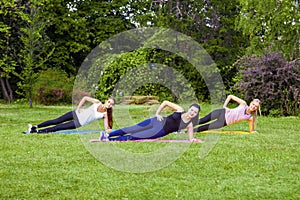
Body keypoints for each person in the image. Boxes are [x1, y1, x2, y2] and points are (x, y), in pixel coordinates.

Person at [99, 100, 201, 142]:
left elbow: (191, 138)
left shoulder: (189, 124)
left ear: (196, 114)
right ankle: (107, 135)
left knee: (134, 136)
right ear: (189, 108)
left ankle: (109, 140)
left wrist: (194, 140)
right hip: (156, 121)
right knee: (132, 128)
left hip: (160, 131)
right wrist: (157, 113)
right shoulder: (180, 110)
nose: (192, 113)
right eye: (192, 110)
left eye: (195, 112)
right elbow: (165, 102)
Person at [27, 96, 114, 134]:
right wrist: (79, 108)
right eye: (109, 102)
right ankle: (35, 127)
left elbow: (106, 128)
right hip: (76, 113)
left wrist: (110, 130)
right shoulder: (97, 102)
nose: (109, 104)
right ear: (106, 100)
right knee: (56, 121)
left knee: (58, 127)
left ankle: (37, 132)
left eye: (111, 104)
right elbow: (85, 98)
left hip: (79, 122)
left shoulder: (105, 114)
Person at [194, 95, 261, 133]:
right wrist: (225, 106)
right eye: (253, 104)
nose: (253, 106)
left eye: (256, 106)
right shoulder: (243, 104)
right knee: (202, 120)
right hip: (222, 112)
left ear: (257, 109)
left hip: (224, 122)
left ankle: (189, 131)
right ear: (251, 103)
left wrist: (254, 132)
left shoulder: (250, 117)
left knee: (205, 127)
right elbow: (230, 96)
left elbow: (251, 130)